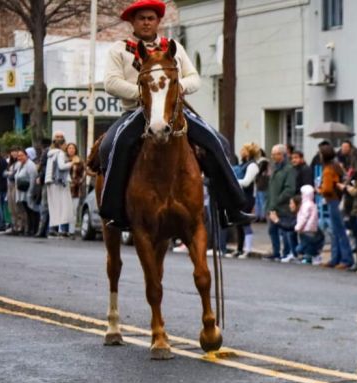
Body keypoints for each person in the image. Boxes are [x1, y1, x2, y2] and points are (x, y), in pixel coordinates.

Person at [98, 0, 251, 230]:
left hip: (173, 110)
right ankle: (114, 212)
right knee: (110, 145)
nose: (146, 22)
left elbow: (194, 78)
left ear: (158, 21)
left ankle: (231, 208)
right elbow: (111, 82)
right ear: (132, 22)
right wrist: (145, 94)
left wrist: (178, 88)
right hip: (136, 110)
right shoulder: (119, 49)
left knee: (218, 142)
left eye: (151, 18)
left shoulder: (173, 47)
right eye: (141, 18)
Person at [317, 144, 353, 269]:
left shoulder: (327, 170)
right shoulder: (336, 166)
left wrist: (320, 190)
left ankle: (345, 258)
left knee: (338, 231)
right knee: (338, 230)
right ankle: (337, 258)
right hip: (339, 198)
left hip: (332, 200)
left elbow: (327, 189)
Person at [265, 144, 297, 261]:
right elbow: (271, 188)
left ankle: (287, 252)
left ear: (282, 155)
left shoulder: (289, 169)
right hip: (273, 205)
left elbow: (289, 189)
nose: (272, 157)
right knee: (272, 230)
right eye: (272, 154)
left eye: (275, 154)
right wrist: (269, 204)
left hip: (283, 207)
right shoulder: (275, 168)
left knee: (284, 231)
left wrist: (277, 201)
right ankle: (276, 252)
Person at [44, 132, 74, 237]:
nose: (66, 146)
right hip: (59, 182)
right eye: (65, 144)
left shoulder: (51, 153)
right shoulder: (60, 153)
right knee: (64, 206)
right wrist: (72, 163)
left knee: (53, 206)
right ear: (61, 145)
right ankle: (62, 230)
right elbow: (61, 166)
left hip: (50, 181)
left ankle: (52, 228)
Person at [233, 143, 260, 258]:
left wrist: (232, 181)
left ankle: (248, 249)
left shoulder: (252, 165)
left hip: (247, 198)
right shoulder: (243, 164)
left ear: (248, 152)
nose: (241, 151)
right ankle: (239, 249)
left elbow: (246, 182)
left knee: (245, 223)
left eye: (243, 149)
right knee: (239, 224)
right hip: (240, 196)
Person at [293, 184, 323, 264]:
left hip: (306, 229)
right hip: (311, 228)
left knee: (305, 245)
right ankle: (309, 256)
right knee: (308, 244)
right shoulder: (312, 204)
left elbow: (304, 217)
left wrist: (298, 226)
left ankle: (309, 256)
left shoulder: (306, 205)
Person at [14, 149, 38, 236]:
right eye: (18, 156)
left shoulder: (30, 165)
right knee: (27, 211)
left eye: (21, 155)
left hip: (28, 192)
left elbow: (33, 179)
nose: (20, 157)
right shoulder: (20, 165)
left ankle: (33, 229)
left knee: (32, 211)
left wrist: (30, 193)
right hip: (22, 192)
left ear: (26, 155)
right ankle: (29, 229)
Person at [4, 147, 24, 235]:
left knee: (17, 207)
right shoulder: (10, 163)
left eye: (16, 151)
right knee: (11, 207)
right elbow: (5, 173)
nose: (14, 153)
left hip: (15, 185)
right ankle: (14, 225)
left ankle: (20, 226)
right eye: (12, 151)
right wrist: (9, 173)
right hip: (9, 186)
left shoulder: (19, 163)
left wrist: (9, 173)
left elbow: (12, 175)